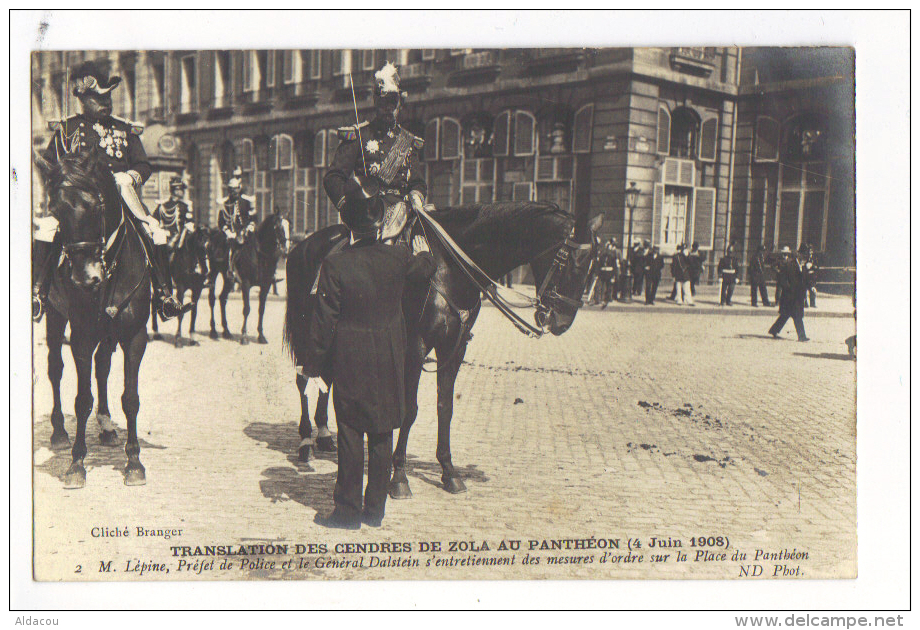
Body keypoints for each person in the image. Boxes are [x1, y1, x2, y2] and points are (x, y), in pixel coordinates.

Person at [306, 179, 437, 529]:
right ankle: (375, 511)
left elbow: (324, 321)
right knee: (382, 434)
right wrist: (424, 251)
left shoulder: (335, 265)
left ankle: (347, 512)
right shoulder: (399, 257)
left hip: (349, 358)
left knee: (350, 433)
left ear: (348, 225)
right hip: (390, 357)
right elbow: (424, 270)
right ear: (380, 222)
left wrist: (313, 367)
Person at [33, 60, 188, 321]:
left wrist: (130, 176)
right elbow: (51, 168)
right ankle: (38, 293)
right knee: (47, 229)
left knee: (154, 231)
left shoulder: (125, 129)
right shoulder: (67, 129)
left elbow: (143, 164)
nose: (105, 104)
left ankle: (164, 295)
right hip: (78, 203)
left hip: (121, 197)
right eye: (97, 98)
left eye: (108, 98)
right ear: (83, 99)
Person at [324, 62, 427, 248]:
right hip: (369, 216)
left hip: (403, 212)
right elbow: (333, 177)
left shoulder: (408, 141)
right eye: (383, 103)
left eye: (392, 103)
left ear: (399, 105)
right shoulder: (359, 136)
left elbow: (417, 182)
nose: (388, 108)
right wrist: (350, 208)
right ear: (375, 103)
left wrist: (416, 198)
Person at [153, 177, 209, 286]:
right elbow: (155, 220)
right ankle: (163, 275)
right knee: (165, 250)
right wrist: (161, 231)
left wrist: (191, 226)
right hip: (168, 235)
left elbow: (189, 220)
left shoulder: (184, 206)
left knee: (197, 245)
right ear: (175, 190)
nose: (182, 192)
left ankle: (201, 271)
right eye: (180, 190)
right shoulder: (163, 206)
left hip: (182, 234)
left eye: (182, 190)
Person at [217, 172, 256, 282]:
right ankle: (231, 270)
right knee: (231, 249)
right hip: (232, 233)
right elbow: (221, 222)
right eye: (232, 189)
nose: (234, 191)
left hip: (245, 231)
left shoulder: (246, 202)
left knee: (258, 245)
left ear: (240, 189)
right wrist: (227, 231)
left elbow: (252, 217)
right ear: (229, 190)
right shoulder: (225, 204)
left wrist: (250, 226)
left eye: (236, 189)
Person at [768, 246, 809, 342]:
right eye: (803, 255)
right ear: (799, 254)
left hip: (798, 296)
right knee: (793, 316)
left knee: (789, 315)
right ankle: (801, 336)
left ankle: (774, 330)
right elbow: (782, 279)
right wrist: (788, 289)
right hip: (789, 296)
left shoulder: (803, 266)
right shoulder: (789, 265)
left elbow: (804, 280)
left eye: (805, 256)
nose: (804, 258)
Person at [593, 238, 619, 308]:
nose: (607, 250)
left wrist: (614, 276)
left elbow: (615, 267)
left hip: (609, 273)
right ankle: (598, 299)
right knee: (599, 286)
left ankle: (607, 299)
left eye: (609, 249)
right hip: (602, 273)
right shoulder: (602, 257)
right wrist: (597, 273)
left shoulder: (613, 257)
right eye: (606, 248)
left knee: (609, 288)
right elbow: (598, 265)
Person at [802, 243, 819, 308]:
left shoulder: (815, 259)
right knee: (804, 291)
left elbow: (817, 267)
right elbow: (802, 266)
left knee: (812, 290)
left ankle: (812, 303)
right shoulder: (805, 258)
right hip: (806, 276)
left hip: (812, 277)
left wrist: (813, 267)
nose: (810, 252)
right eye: (808, 251)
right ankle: (805, 303)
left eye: (811, 251)